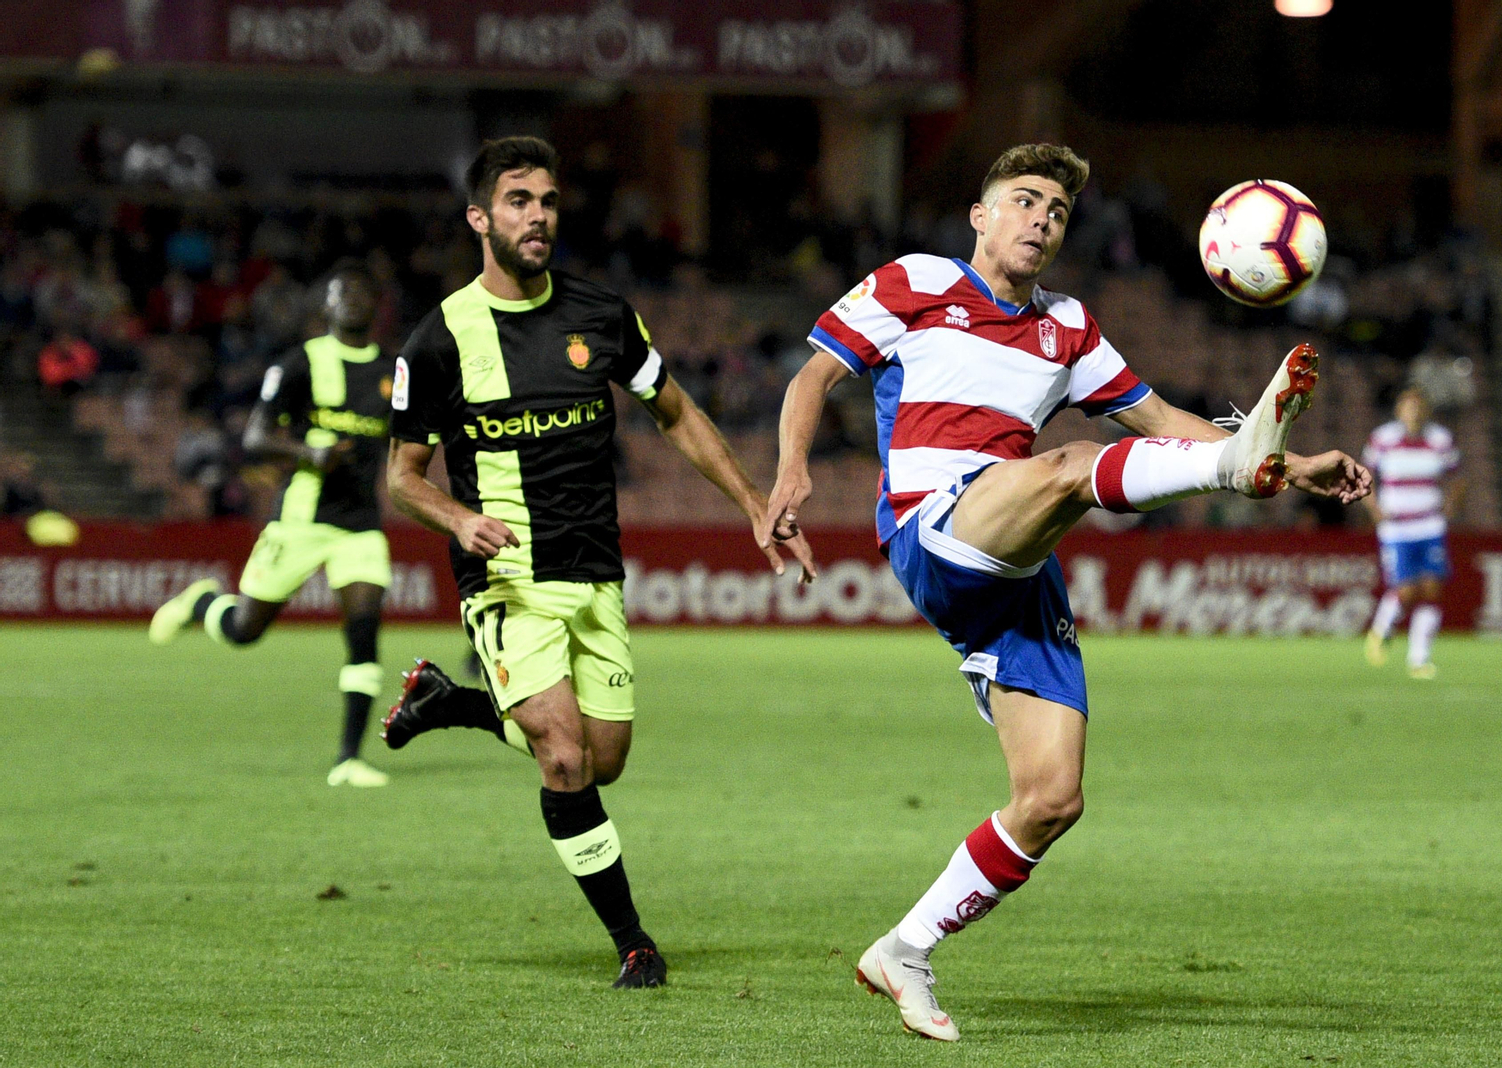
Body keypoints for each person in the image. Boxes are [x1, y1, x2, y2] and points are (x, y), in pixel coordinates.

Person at [764, 143, 1372, 1041]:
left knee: (1051, 797)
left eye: (1056, 210)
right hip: (936, 524)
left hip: (1018, 562)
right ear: (981, 215)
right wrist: (790, 474)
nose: (1042, 219)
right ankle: (1229, 467)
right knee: (1073, 466)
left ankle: (905, 948)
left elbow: (1165, 426)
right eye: (1025, 200)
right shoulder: (916, 280)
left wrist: (1292, 467)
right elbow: (814, 372)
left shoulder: (1069, 327)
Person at [379, 136, 814, 990]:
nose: (537, 214)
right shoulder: (438, 340)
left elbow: (677, 412)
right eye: (517, 200)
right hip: (505, 577)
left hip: (595, 570)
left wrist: (755, 506)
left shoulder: (602, 316)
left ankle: (451, 701)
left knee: (603, 756)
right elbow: (401, 477)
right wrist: (458, 519)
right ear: (480, 218)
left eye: (546, 199)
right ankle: (634, 943)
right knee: (563, 758)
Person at [149, 261, 397, 788]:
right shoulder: (302, 362)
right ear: (325, 305)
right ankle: (202, 603)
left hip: (360, 524)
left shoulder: (393, 371)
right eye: (341, 289)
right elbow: (257, 436)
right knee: (245, 630)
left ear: (376, 306)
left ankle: (348, 759)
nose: (353, 297)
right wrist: (308, 449)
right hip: (301, 518)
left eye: (362, 290)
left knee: (364, 630)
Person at [1361, 388, 1463, 678]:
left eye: (1419, 407)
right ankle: (1381, 630)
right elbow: (1363, 476)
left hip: (1429, 524)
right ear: (1399, 411)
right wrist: (1374, 510)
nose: (1414, 413)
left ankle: (1419, 659)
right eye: (1409, 407)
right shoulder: (1383, 439)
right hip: (1397, 526)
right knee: (1406, 589)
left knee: (1432, 589)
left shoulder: (1440, 440)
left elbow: (1458, 477)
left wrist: (1451, 506)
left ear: (1426, 411)